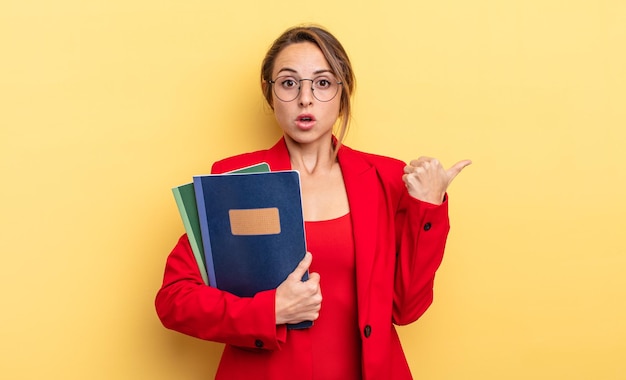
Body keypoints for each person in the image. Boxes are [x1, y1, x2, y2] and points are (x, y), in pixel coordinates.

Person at [155, 24, 471, 380]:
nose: (305, 98)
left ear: (343, 92)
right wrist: (269, 310)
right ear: (269, 92)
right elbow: (174, 300)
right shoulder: (236, 180)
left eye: (322, 83)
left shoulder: (386, 179)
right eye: (289, 83)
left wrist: (427, 206)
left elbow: (406, 307)